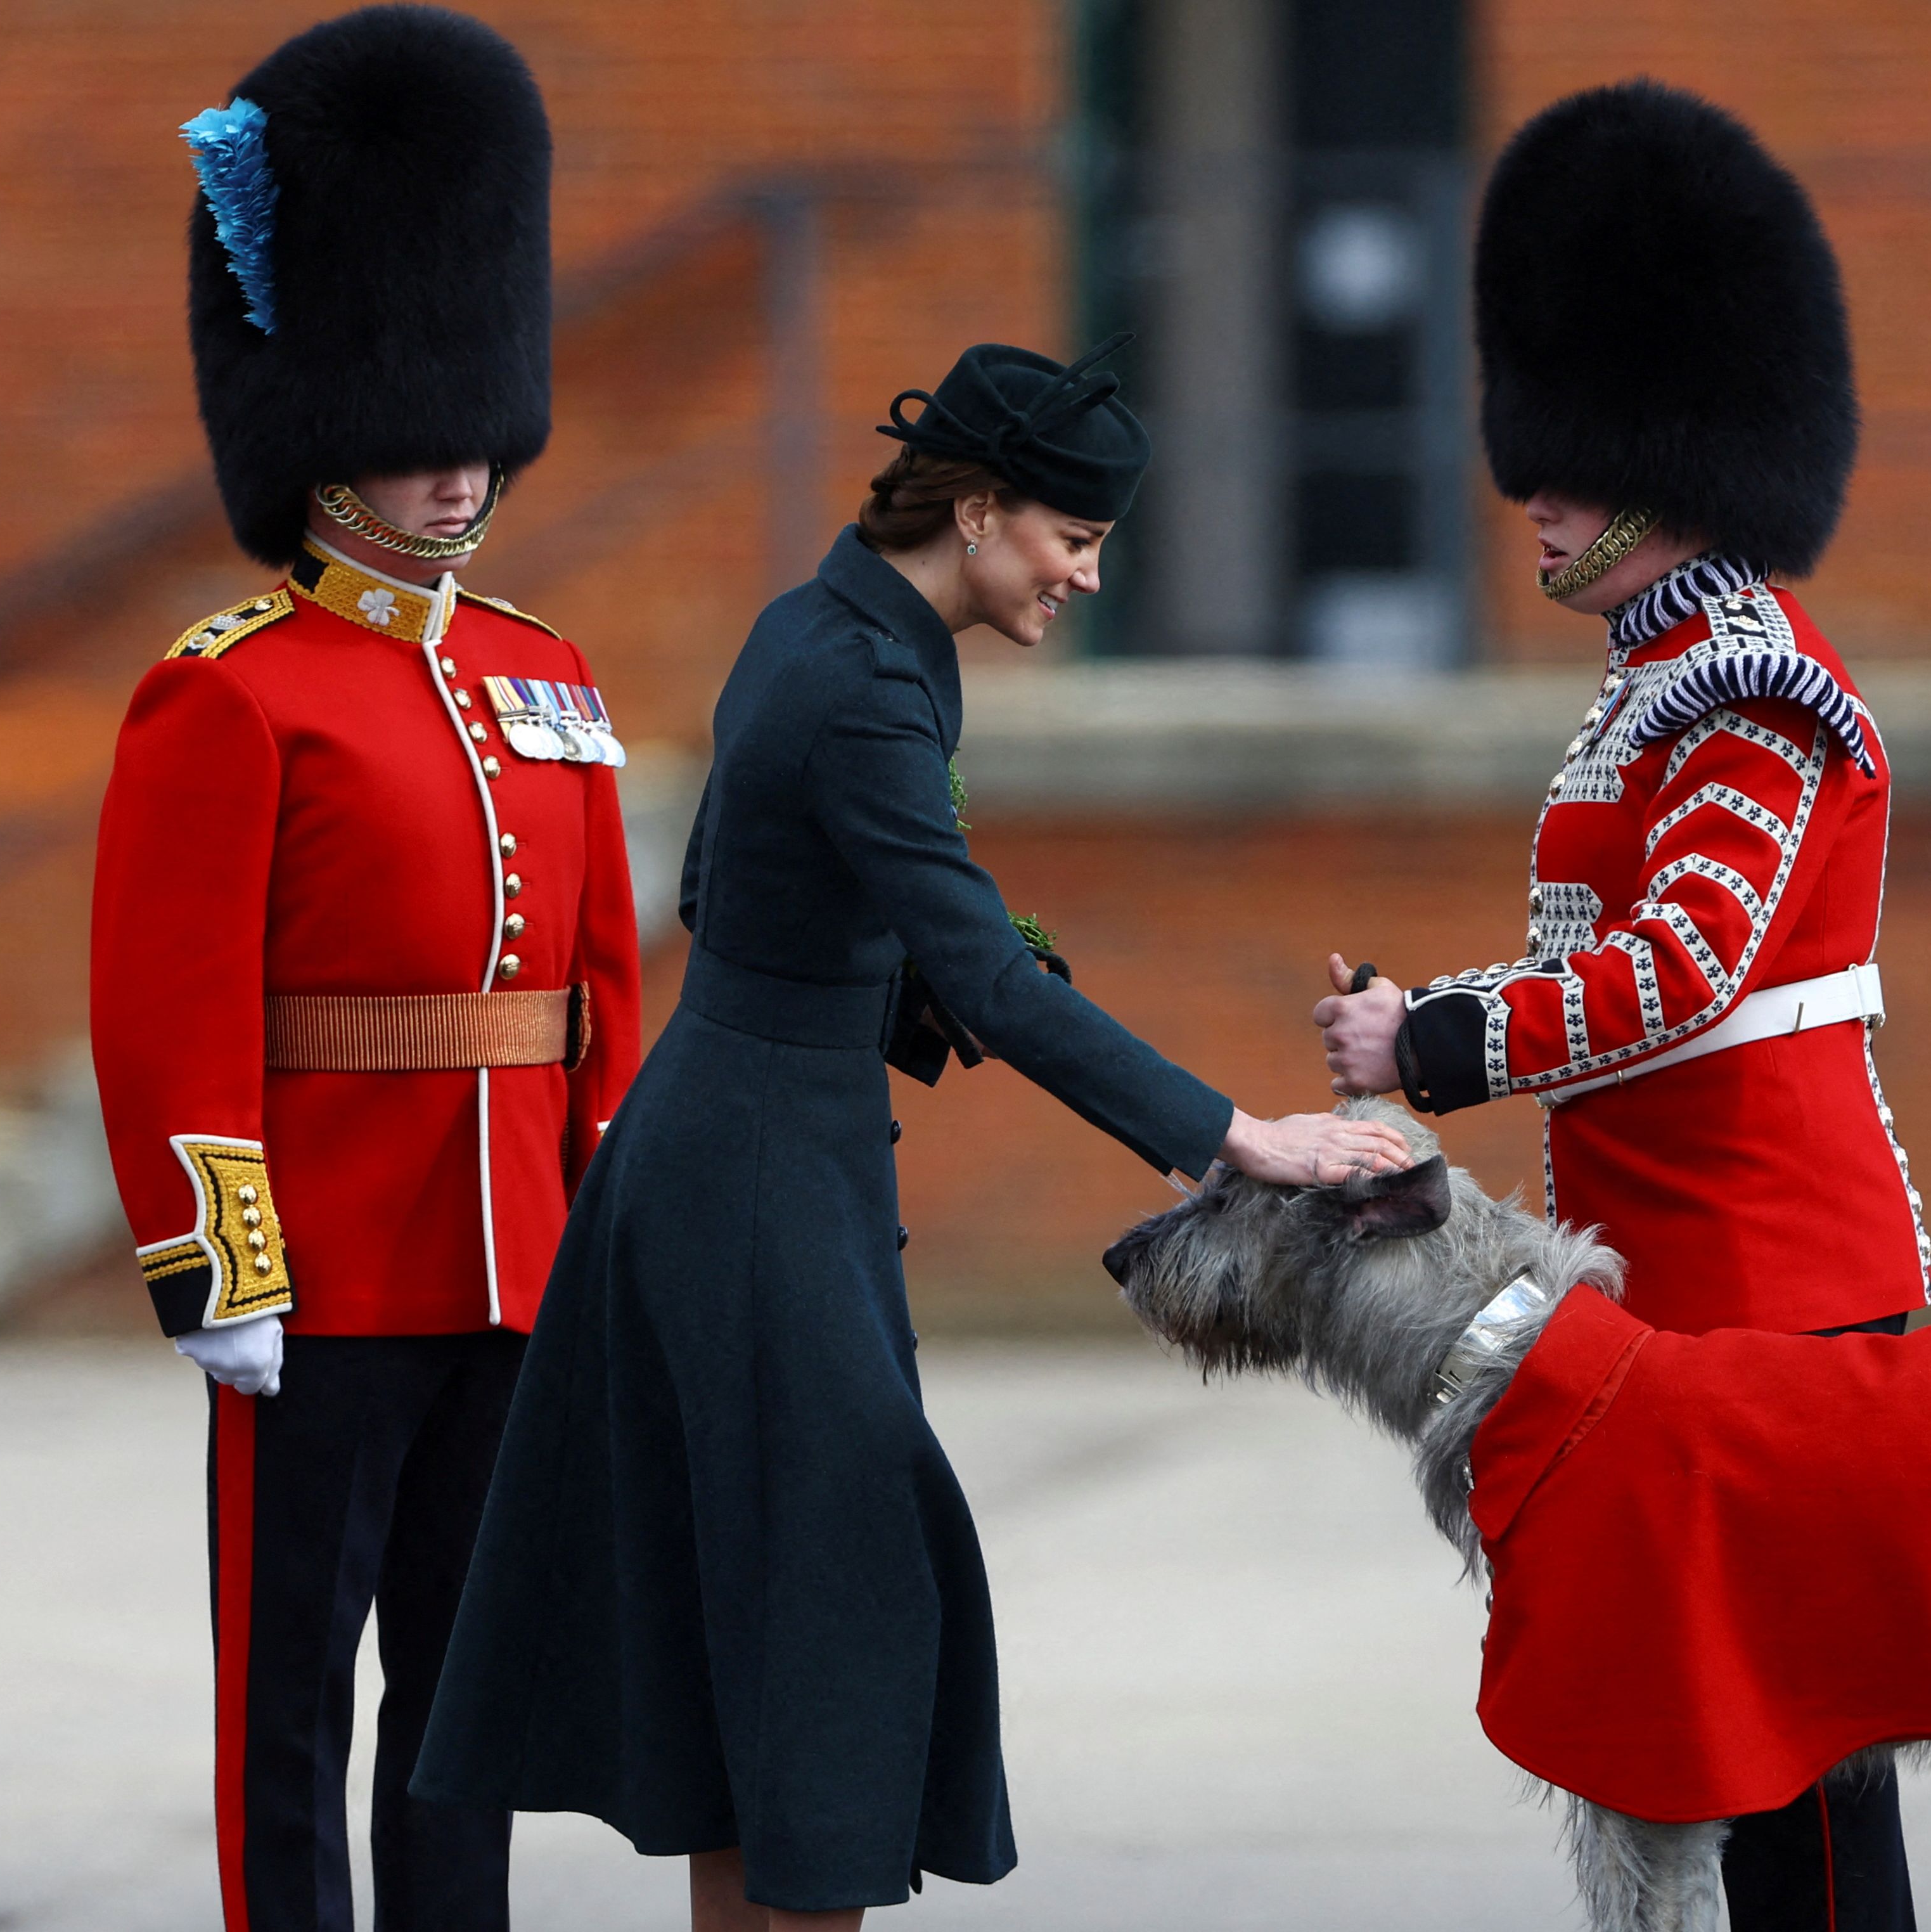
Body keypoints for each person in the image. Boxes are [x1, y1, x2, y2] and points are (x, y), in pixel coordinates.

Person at [410, 337, 1409, 1926]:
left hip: (748, 1154)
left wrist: (1031, 1030)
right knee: (831, 1604)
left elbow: (761, 901)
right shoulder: (863, 680)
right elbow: (979, 978)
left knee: (767, 1624)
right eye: (1072, 541)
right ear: (981, 509)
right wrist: (1236, 1139)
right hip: (751, 1180)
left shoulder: (824, 632)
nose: (1084, 578)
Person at [1314, 81, 1927, 1932]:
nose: (1534, 490)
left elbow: (1682, 972)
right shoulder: (1654, 673)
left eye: (1571, 457)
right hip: (1675, 1266)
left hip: (1768, 1277)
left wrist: (1431, 1045)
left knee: (1803, 1766)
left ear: (1675, 447)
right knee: (1722, 1741)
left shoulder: (1748, 687)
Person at [86, 12, 639, 1929]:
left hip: (511, 1257)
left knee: (462, 1701)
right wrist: (216, 1259)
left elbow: (597, 1004)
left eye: (471, 429)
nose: (456, 471)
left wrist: (603, 1229)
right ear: (326, 432)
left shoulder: (546, 678)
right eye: (414, 437)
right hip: (321, 1264)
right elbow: (166, 1009)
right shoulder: (227, 693)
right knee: (293, 1692)